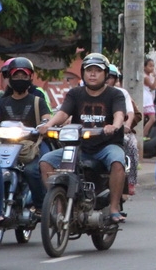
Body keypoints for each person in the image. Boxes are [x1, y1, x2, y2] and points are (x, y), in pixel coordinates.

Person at [38, 53, 127, 223]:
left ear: (106, 74)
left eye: (97, 71)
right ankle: (58, 202)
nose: (93, 74)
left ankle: (115, 207)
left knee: (118, 161)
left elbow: (119, 114)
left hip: (106, 146)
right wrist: (48, 125)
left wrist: (114, 126)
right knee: (45, 161)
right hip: (79, 147)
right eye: (89, 70)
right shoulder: (75, 93)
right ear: (83, 73)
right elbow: (63, 113)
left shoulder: (115, 94)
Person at [0, 57, 51, 223]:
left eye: (24, 76)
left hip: (33, 145)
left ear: (31, 77)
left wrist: (44, 124)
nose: (20, 80)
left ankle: (41, 206)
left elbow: (47, 118)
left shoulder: (38, 101)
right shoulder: (2, 102)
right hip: (6, 145)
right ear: (10, 78)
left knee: (33, 170)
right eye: (16, 76)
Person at [107, 64, 139, 196]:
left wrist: (126, 126)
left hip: (116, 131)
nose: (106, 79)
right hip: (91, 133)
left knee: (131, 145)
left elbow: (130, 113)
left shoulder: (121, 93)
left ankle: (130, 181)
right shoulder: (83, 91)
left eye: (110, 77)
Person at [142, 56, 156, 138]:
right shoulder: (145, 77)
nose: (152, 68)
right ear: (144, 67)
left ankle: (144, 134)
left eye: (153, 66)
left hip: (147, 96)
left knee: (146, 117)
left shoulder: (148, 76)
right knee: (152, 118)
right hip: (146, 98)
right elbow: (153, 87)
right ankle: (144, 134)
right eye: (150, 66)